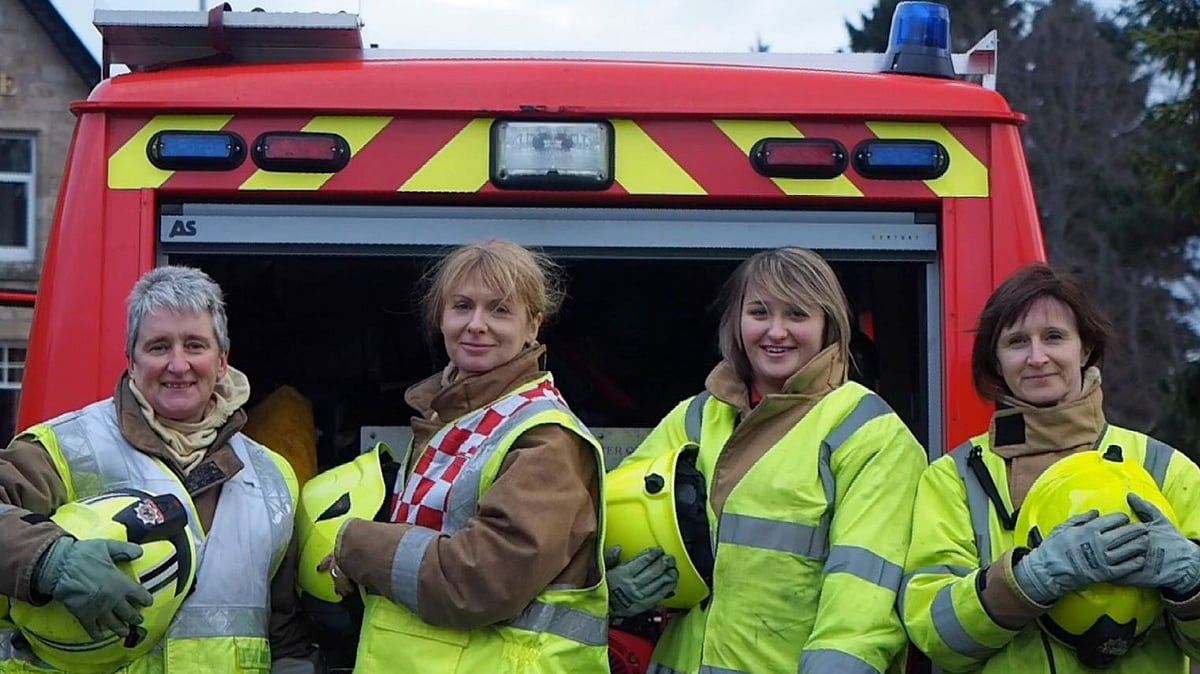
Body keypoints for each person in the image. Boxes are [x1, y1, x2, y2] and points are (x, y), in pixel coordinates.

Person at [611, 247, 927, 674]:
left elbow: (862, 605)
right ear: (737, 322)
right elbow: (611, 516)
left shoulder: (868, 432)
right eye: (759, 312)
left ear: (828, 324)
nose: (776, 331)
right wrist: (607, 586)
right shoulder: (696, 417)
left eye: (796, 314)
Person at [0, 266, 321, 673]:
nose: (178, 364)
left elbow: (283, 629)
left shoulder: (273, 475)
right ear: (131, 362)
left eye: (194, 345)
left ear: (222, 361)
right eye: (158, 347)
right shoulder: (68, 445)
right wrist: (48, 559)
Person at [320, 240, 608, 672]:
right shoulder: (450, 416)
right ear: (441, 318)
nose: (477, 324)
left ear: (533, 325)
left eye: (499, 310)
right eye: (462, 306)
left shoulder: (545, 437)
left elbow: (479, 581)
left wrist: (357, 546)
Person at [900, 263, 1200, 672]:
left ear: (1086, 349)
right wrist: (1025, 582)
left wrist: (1191, 583)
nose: (1037, 358)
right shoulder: (954, 478)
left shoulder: (1166, 469)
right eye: (1017, 342)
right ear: (996, 361)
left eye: (1054, 337)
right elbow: (935, 635)